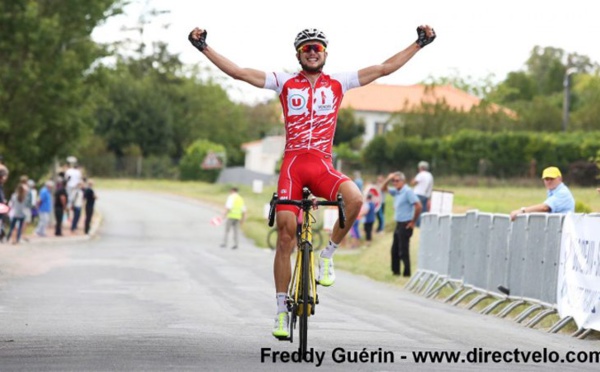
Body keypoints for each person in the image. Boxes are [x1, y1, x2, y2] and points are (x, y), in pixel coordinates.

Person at [188, 24, 436, 338]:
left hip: (321, 166)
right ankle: (280, 311)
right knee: (285, 236)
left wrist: (419, 43)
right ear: (298, 54)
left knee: (356, 199)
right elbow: (238, 73)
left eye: (317, 47)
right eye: (306, 48)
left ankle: (328, 255)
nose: (312, 52)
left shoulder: (339, 82)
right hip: (292, 167)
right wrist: (204, 48)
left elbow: (385, 69)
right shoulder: (283, 82)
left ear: (325, 53)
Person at [383, 172, 422, 277]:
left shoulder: (408, 191)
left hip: (406, 223)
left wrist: (413, 221)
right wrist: (388, 179)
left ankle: (407, 273)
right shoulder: (397, 191)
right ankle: (396, 272)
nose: (395, 183)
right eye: (393, 181)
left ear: (403, 181)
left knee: (403, 250)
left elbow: (418, 206)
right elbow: (383, 189)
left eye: (397, 181)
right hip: (398, 223)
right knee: (394, 249)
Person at [509, 166, 575, 221]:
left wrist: (522, 211)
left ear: (560, 179)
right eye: (546, 179)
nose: (549, 181)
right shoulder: (552, 192)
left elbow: (545, 208)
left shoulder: (563, 192)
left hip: (563, 233)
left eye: (552, 179)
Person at [410, 161, 434, 227]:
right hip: (426, 195)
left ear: (421, 167)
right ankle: (423, 225)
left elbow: (413, 183)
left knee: (417, 210)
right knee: (424, 211)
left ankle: (417, 224)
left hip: (418, 194)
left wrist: (412, 180)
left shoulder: (421, 174)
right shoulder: (430, 175)